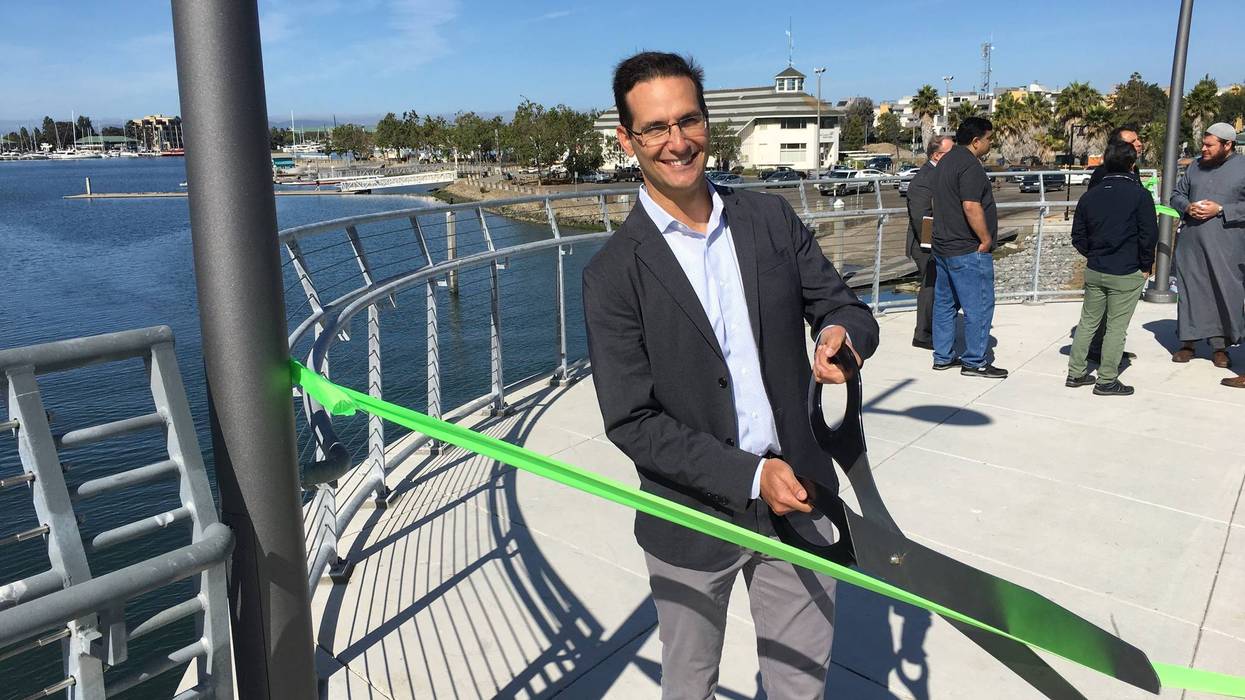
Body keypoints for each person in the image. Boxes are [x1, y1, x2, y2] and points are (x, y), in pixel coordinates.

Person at [582, 51, 880, 698]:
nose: (677, 141)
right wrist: (748, 476)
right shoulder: (611, 274)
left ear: (708, 123)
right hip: (691, 520)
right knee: (688, 683)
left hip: (802, 494)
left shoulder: (767, 220)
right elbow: (630, 420)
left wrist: (839, 338)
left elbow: (842, 306)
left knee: (799, 685)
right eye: (655, 128)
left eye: (688, 120)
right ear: (626, 140)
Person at [1065, 141, 1158, 396]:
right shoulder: (1140, 195)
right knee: (1117, 326)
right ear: (1132, 165)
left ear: (1105, 163)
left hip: (1096, 268)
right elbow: (1148, 234)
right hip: (1126, 270)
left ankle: (1076, 373)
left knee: (1087, 323)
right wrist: (1145, 264)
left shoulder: (1090, 195)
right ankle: (1106, 380)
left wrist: (1093, 253)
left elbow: (1078, 235)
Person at [931, 116, 1008, 378]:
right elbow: (971, 206)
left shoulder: (944, 162)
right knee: (979, 306)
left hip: (943, 247)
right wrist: (986, 240)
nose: (990, 144)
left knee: (945, 304)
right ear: (976, 141)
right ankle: (975, 361)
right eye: (989, 140)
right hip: (966, 249)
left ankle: (942, 356)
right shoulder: (970, 166)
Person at [1169, 123, 1245, 374]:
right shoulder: (1195, 166)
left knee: (1223, 293)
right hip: (1191, 245)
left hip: (1227, 247)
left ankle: (1220, 347)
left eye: (1210, 145)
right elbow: (1176, 195)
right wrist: (1187, 207)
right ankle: (1188, 342)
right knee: (1191, 292)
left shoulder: (1242, 167)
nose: (1204, 149)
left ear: (1227, 145)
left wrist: (1221, 209)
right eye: (1204, 144)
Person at [1086, 125, 1145, 364]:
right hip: (1109, 256)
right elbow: (1092, 216)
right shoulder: (1104, 175)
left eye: (1138, 140)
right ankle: (1099, 350)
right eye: (1132, 142)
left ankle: (1109, 349)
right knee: (1104, 310)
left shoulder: (1133, 171)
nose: (1139, 144)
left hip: (1125, 254)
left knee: (1117, 311)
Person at [906, 134, 954, 350]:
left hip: (941, 241)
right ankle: (923, 334)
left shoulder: (942, 175)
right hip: (926, 245)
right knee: (930, 286)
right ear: (937, 155)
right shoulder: (924, 180)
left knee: (939, 287)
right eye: (950, 154)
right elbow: (922, 218)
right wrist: (934, 247)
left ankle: (936, 328)